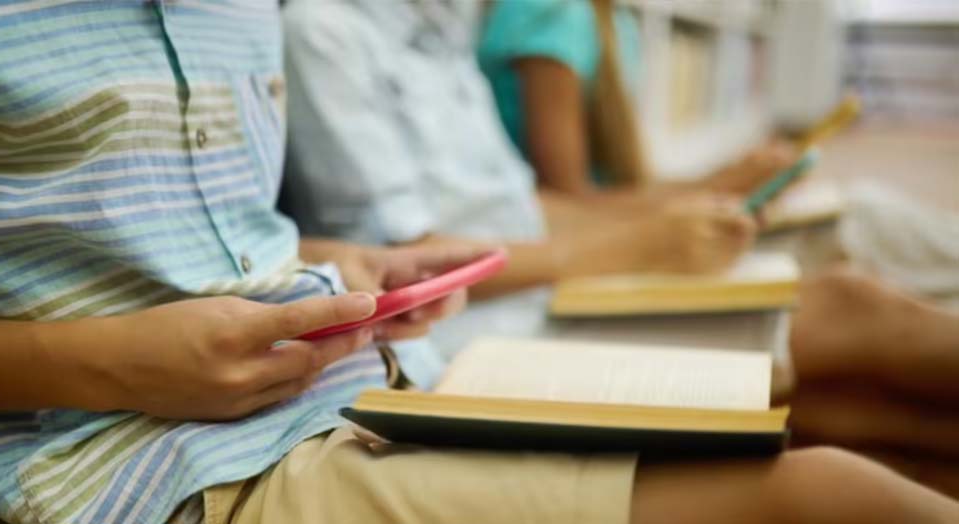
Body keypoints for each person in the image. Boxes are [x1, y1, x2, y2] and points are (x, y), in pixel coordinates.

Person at [0, 2, 957, 524]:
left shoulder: (273, 17)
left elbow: (220, 234)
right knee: (833, 474)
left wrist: (352, 261)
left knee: (848, 362)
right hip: (143, 460)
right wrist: (111, 362)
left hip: (376, 371)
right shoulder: (328, 29)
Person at [282, 0, 959, 504]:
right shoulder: (325, 32)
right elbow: (407, 261)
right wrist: (635, 244)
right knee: (848, 316)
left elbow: (526, 203)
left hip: (542, 287)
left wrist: (676, 213)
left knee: (853, 393)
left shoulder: (440, 31)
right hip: (484, 329)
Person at [478, 0, 798, 215]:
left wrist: (724, 183)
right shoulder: (550, 13)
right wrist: (718, 185)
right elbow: (568, 204)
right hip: (568, 234)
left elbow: (617, 186)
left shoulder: (618, 22)